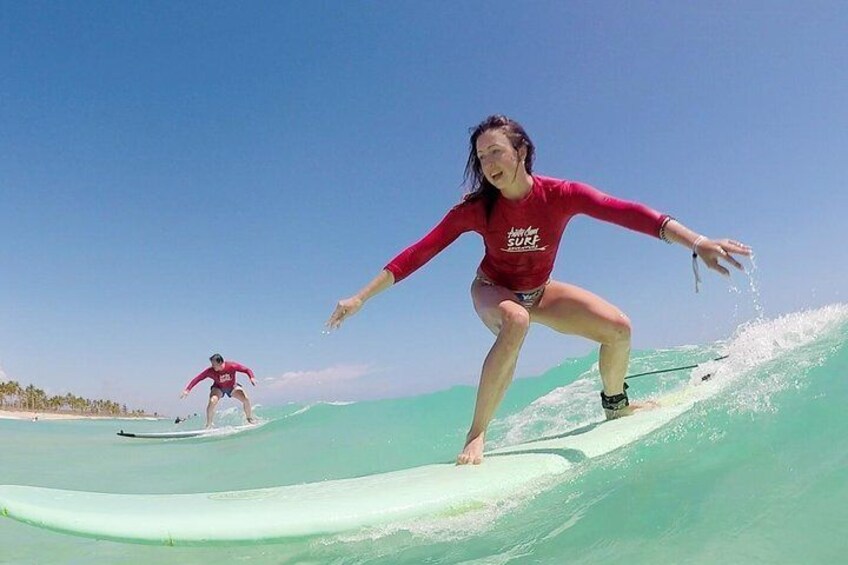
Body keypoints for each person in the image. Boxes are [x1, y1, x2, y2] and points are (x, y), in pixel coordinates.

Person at [327, 114, 752, 465]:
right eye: (481, 156)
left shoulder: (560, 195)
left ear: (522, 152)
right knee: (516, 318)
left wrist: (697, 241)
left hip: (540, 290)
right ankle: (476, 436)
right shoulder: (476, 210)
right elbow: (419, 252)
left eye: (496, 151)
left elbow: (628, 213)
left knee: (619, 328)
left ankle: (616, 404)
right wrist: (360, 297)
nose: (488, 163)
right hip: (493, 289)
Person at [180, 354, 257, 428]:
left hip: (232, 387)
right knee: (212, 401)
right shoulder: (210, 371)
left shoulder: (231, 366)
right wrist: (187, 390)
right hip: (218, 388)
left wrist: (252, 377)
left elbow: (247, 370)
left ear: (220, 362)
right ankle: (209, 425)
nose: (212, 366)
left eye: (214, 364)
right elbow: (198, 378)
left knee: (246, 399)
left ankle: (249, 419)